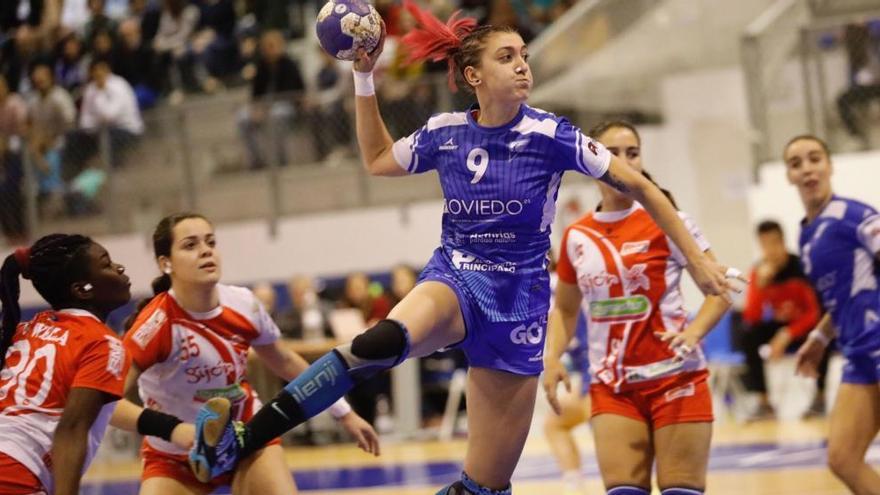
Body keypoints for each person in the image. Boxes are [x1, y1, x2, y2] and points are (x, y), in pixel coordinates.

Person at [189, 3, 736, 493]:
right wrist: (363, 74)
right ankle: (240, 436)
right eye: (507, 56)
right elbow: (378, 159)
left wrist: (699, 260)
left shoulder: (552, 135)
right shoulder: (445, 132)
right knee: (376, 344)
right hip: (457, 274)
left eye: (524, 54)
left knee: (483, 487)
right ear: (473, 75)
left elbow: (638, 185)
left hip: (519, 302)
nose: (524, 64)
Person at [122, 212, 379, 494]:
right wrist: (173, 430)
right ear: (165, 263)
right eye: (190, 245)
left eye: (210, 242)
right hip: (174, 455)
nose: (206, 250)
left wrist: (344, 413)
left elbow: (285, 362)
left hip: (246, 437)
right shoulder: (155, 325)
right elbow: (109, 401)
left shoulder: (243, 303)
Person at [543, 121, 732, 495]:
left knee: (681, 490)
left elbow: (720, 292)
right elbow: (565, 310)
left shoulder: (670, 222)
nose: (624, 161)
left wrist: (693, 333)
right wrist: (552, 360)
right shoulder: (577, 237)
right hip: (614, 386)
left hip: (676, 379)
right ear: (590, 160)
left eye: (633, 152)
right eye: (612, 152)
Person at [0, 234, 133, 495]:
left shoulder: (27, 328)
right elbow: (71, 430)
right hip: (15, 472)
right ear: (82, 289)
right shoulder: (102, 342)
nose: (120, 268)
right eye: (107, 264)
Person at [787, 135, 880, 494]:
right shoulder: (807, 235)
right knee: (842, 457)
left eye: (814, 159)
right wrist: (820, 336)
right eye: (797, 163)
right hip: (858, 355)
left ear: (830, 166)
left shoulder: (854, 215)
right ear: (789, 176)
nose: (807, 168)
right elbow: (842, 296)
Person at [740, 219, 822, 419]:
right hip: (779, 326)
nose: (770, 250)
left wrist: (787, 334)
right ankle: (764, 402)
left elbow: (814, 313)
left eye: (774, 242)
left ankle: (820, 398)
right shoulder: (759, 270)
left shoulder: (800, 268)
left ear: (783, 242)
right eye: (764, 244)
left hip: (803, 327)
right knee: (749, 335)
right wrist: (760, 285)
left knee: (822, 335)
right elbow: (752, 317)